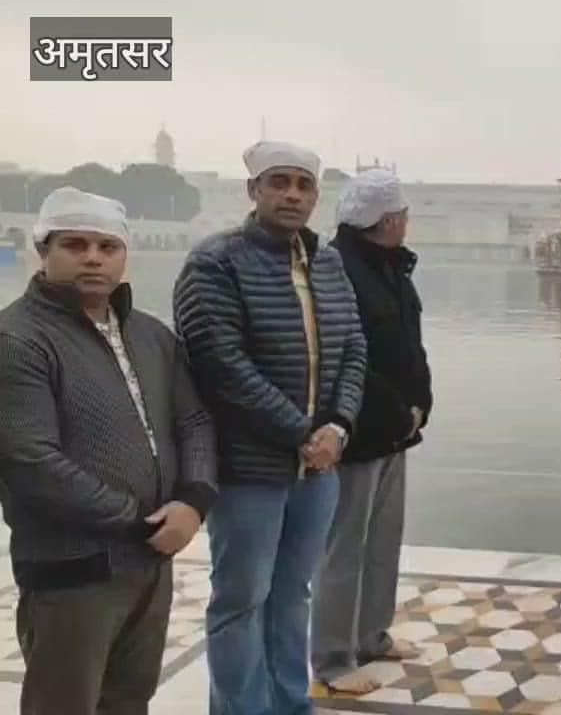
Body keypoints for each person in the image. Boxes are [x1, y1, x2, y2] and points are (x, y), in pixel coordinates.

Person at [0, 187, 217, 715]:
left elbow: (194, 420)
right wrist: (139, 523)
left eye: (107, 246)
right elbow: (31, 460)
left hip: (149, 564)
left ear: (123, 255)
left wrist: (193, 501)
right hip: (73, 568)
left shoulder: (150, 335)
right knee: (65, 703)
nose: (93, 257)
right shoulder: (18, 338)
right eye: (75, 244)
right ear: (43, 252)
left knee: (128, 700)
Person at [173, 141, 367, 715]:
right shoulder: (216, 263)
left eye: (303, 185)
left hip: (317, 471)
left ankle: (290, 704)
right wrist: (302, 432)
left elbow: (355, 347)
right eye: (278, 182)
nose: (292, 194)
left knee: (291, 597)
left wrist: (338, 427)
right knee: (241, 600)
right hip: (248, 469)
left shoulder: (327, 262)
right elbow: (220, 363)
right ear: (253, 191)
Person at [311, 169, 433, 694]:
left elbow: (408, 346)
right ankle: (335, 660)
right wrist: (397, 409)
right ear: (386, 220)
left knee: (383, 539)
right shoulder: (337, 270)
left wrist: (421, 402)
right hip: (357, 432)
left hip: (397, 431)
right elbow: (348, 354)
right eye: (404, 214)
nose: (407, 222)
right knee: (345, 547)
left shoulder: (389, 268)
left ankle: (371, 636)